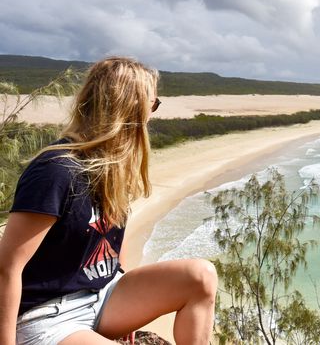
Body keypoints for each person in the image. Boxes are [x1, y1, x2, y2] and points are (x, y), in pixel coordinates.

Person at [0, 57, 217, 344]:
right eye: (153, 104)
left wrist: (123, 286)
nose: (153, 113)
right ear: (131, 107)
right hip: (49, 316)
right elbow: (8, 267)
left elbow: (115, 235)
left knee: (201, 275)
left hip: (103, 296)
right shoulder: (56, 170)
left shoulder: (110, 164)